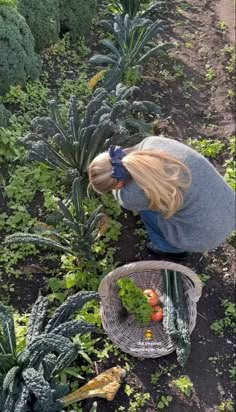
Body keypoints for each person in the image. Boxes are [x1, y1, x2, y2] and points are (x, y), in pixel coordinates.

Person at [88, 135, 235, 261]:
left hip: (206, 234)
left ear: (119, 184)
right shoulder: (151, 143)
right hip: (228, 205)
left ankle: (169, 249)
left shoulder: (132, 194)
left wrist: (117, 188)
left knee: (149, 207)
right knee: (159, 195)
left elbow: (122, 198)